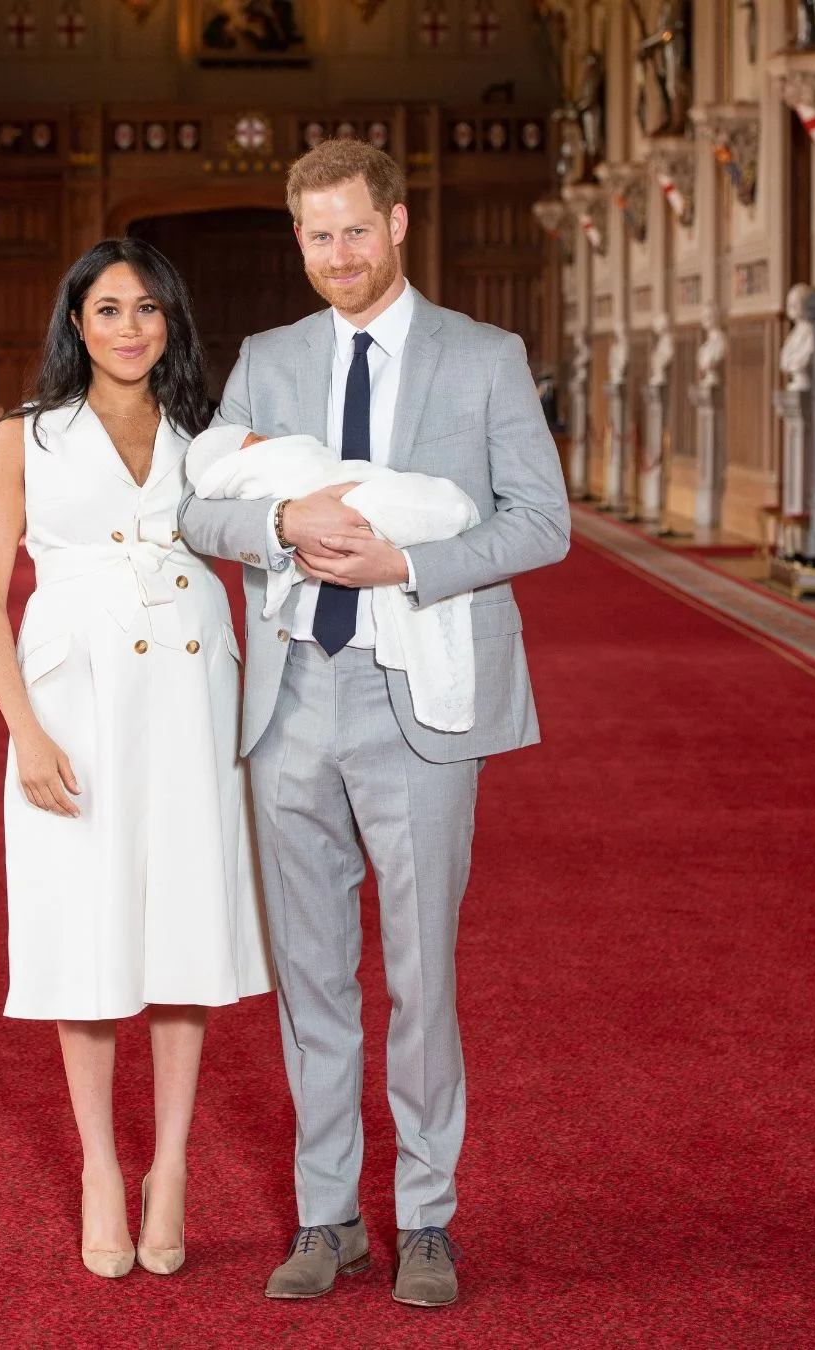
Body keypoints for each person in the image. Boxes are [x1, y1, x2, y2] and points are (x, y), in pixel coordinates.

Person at [180, 139, 570, 1309]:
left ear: (397, 224)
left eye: (357, 229)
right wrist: (279, 524)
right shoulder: (268, 359)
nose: (339, 254)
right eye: (318, 235)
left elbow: (541, 522)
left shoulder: (483, 357)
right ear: (298, 240)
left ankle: (428, 1219)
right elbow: (200, 508)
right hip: (292, 696)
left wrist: (408, 562)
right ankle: (329, 1215)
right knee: (311, 977)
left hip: (419, 697)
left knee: (420, 974)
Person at [0, 238, 273, 1282]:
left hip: (192, 694)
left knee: (184, 926)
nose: (130, 327)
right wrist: (25, 730)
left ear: (171, 321)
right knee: (86, 930)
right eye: (108, 308)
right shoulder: (24, 436)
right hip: (76, 703)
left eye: (147, 308)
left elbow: (278, 517)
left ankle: (171, 1166)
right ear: (76, 322)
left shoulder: (209, 435)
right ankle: (101, 1164)